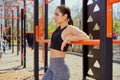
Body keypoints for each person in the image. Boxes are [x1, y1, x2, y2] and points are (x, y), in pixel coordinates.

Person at [42, 5, 89, 80]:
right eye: (54, 14)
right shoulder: (57, 29)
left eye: (57, 14)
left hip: (60, 68)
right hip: (51, 67)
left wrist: (70, 38)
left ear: (65, 16)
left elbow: (86, 37)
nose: (54, 17)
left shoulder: (69, 28)